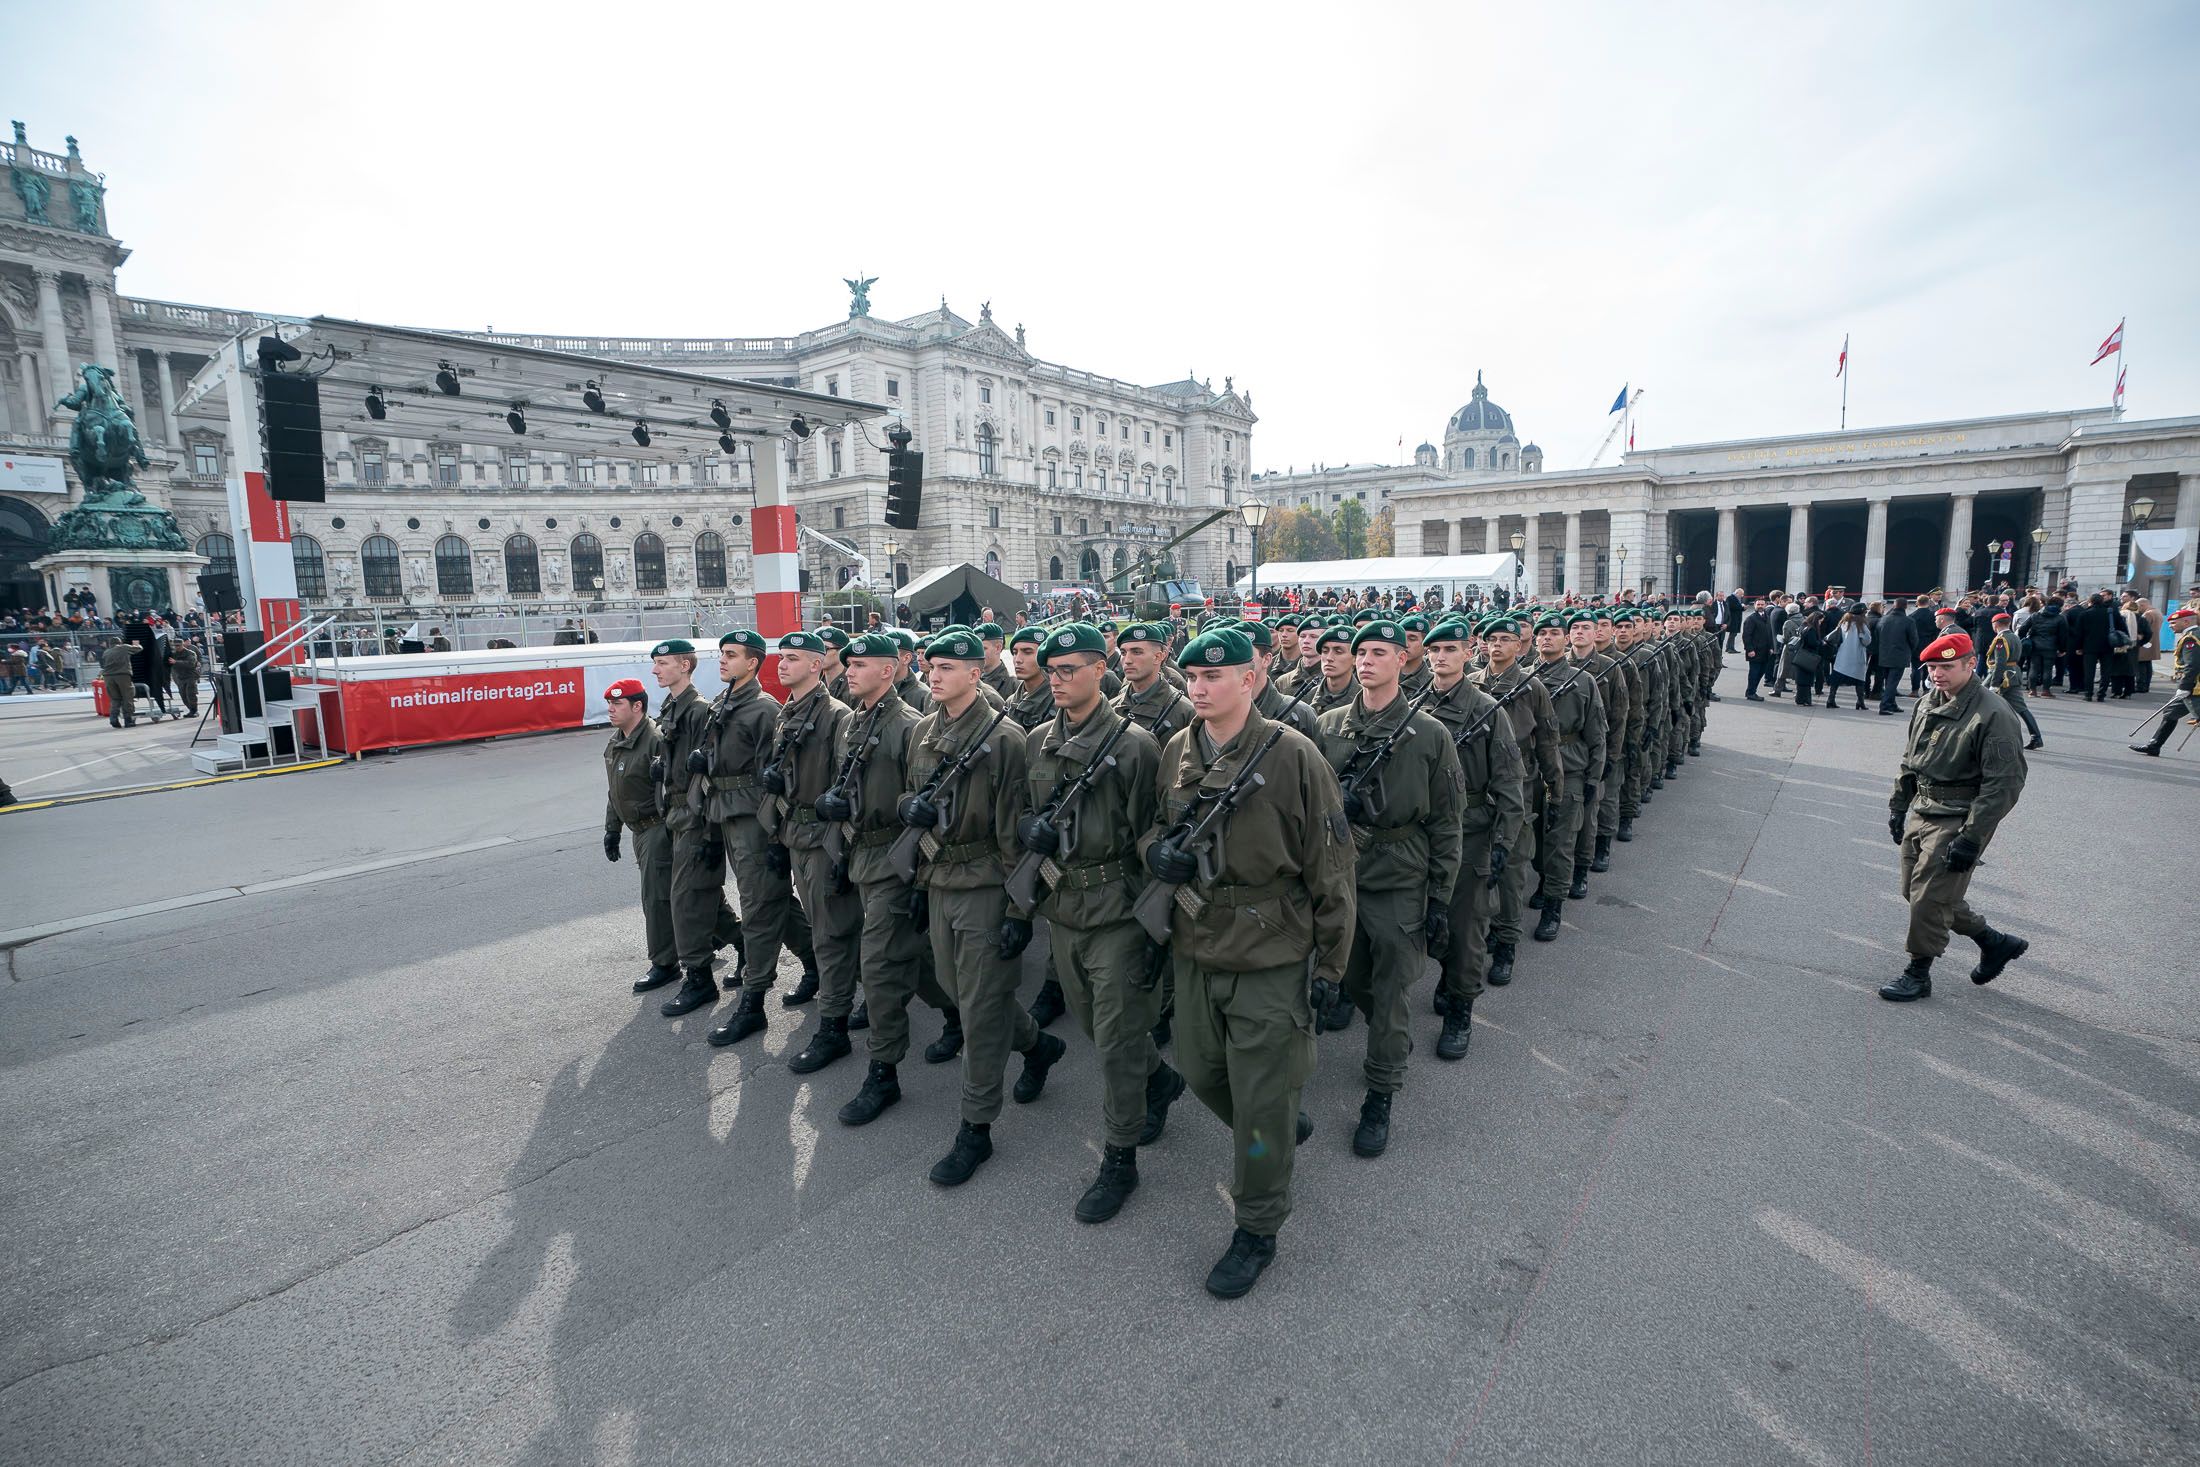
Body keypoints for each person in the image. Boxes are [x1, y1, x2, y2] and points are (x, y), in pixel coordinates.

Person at [1140, 624, 1354, 1297]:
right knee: (1202, 1071)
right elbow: (1153, 825)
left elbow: (1332, 866)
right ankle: (1276, 1129)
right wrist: (1157, 853)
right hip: (1197, 944)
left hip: (1270, 948)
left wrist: (1329, 967)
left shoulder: (1293, 756)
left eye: (1214, 676)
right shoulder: (1178, 748)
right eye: (1193, 678)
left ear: (1250, 679)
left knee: (1260, 1097)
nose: (1199, 688)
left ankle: (1258, 1223)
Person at [1021, 622, 1179, 1222]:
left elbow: (1152, 833)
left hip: (1116, 909)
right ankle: (1160, 1081)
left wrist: (1150, 925)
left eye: (1068, 670)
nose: (1056, 680)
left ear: (1098, 670)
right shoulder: (1037, 740)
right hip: (1063, 909)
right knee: (1091, 1022)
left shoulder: (1136, 746)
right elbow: (1024, 818)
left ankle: (1119, 1156)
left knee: (1114, 1040)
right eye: (1051, 671)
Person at [901, 627, 1066, 1187]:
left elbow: (1016, 840)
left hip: (986, 887)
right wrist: (918, 879)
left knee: (977, 1008)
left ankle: (976, 1126)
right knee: (962, 991)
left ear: (976, 673)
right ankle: (1039, 1046)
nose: (935, 674)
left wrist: (1020, 914)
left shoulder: (1005, 739)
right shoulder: (924, 729)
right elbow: (913, 799)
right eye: (932, 665)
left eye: (949, 666)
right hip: (940, 880)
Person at [1313, 620, 1462, 1157]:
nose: (1368, 660)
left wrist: (1441, 896)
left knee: (1393, 986)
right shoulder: (1329, 726)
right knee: (1354, 983)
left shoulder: (1429, 735)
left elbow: (1447, 821)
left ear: (1403, 660)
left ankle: (1381, 1093)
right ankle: (1389, 1036)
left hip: (1400, 874)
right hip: (1342, 874)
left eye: (1381, 652)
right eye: (1362, 652)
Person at [832, 633, 966, 1130]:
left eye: (861, 664)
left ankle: (883, 1071)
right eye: (848, 663)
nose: (849, 670)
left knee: (880, 966)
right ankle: (956, 1015)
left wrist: (918, 880)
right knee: (916, 957)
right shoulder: (855, 720)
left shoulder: (910, 727)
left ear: (889, 670)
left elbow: (923, 807)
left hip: (896, 859)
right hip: (862, 853)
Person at [1879, 631, 2029, 1002]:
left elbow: (2004, 783)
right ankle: (1994, 942)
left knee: (1929, 898)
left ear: (1970, 664)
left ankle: (1918, 973)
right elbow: (1910, 760)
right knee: (1916, 893)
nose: (1937, 674)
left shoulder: (1994, 713)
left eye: (1946, 666)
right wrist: (1899, 806)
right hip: (1923, 808)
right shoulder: (1928, 702)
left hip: (1959, 817)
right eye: (1931, 666)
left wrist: (1971, 836)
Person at [699, 629, 816, 1046]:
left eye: (731, 655)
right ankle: (816, 960)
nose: (723, 661)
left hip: (753, 819)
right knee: (773, 898)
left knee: (758, 904)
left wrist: (772, 835)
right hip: (727, 814)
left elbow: (776, 777)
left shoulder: (764, 709)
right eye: (722, 654)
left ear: (753, 663)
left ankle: (754, 1000)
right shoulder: (724, 701)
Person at [1420, 620, 1525, 1061]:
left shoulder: (1487, 710)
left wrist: (1503, 844)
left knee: (1466, 929)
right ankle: (1446, 973)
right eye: (1435, 650)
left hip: (1472, 833)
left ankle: (1461, 1011)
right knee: (1428, 923)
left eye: (1450, 649)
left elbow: (1509, 783)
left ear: (1469, 653)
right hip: (1424, 836)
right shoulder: (1414, 708)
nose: (1441, 657)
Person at [765, 631, 867, 1074]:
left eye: (792, 659)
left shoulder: (837, 716)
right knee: (830, 931)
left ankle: (834, 1028)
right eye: (780, 658)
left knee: (831, 935)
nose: (782, 665)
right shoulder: (786, 711)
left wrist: (841, 852)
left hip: (823, 839)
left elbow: (848, 790)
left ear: (815, 665)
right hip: (795, 835)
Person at [1470, 616, 1557, 984]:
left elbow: (1548, 739)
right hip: (1477, 786)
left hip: (1518, 785)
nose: (1499, 645)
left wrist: (1556, 789)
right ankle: (1486, 929)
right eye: (1493, 639)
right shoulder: (1473, 684)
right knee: (1479, 870)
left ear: (1519, 646)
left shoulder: (1532, 687)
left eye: (1507, 639)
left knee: (1511, 870)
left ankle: (1507, 942)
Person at [602, 678, 685, 993]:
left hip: (659, 827)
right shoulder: (616, 742)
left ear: (637, 706)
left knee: (657, 898)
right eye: (609, 703)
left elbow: (676, 786)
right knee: (684, 893)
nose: (610, 709)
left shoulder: (656, 739)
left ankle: (665, 963)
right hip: (639, 829)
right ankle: (726, 938)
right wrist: (612, 829)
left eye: (617, 703)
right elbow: (616, 792)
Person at [1528, 613, 1604, 942]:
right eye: (1541, 633)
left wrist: (1593, 778)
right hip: (1530, 769)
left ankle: (1553, 907)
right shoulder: (1523, 678)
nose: (1547, 638)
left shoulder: (1582, 681)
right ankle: (1546, 880)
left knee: (1560, 843)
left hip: (1569, 767)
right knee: (1535, 840)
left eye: (1554, 633)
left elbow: (1597, 732)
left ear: (1565, 639)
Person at [2131, 605, 2200, 757]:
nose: (2170, 625)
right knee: (2170, 713)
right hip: (2192, 686)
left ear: (2186, 622)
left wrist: (2184, 686)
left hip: (2194, 687)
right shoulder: (2194, 634)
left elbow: (2192, 664)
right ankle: (2154, 745)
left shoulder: (2191, 638)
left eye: (2174, 623)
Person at [1983, 612, 2043, 750]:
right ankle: (2036, 736)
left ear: (1995, 624)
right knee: (2021, 708)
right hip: (2013, 674)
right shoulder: (2014, 636)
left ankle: (1983, 737)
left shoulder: (2001, 640)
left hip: (2001, 676)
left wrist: (1994, 684)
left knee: (1979, 701)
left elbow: (2000, 663)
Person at [1874, 598, 1918, 713]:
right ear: (1906, 606)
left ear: (1894, 606)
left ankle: (1892, 703)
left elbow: (1877, 636)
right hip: (1900, 654)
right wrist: (1909, 650)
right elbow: (1914, 640)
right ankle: (1884, 705)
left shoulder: (1883, 619)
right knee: (1892, 682)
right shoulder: (1908, 621)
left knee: (1888, 681)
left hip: (1884, 654)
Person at [1825, 607, 1872, 710]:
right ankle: (1860, 701)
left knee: (1836, 679)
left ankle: (1831, 699)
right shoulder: (1861, 625)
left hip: (1843, 655)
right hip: (1856, 656)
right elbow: (1866, 641)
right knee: (1859, 680)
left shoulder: (1844, 623)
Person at [1741, 599, 1775, 700]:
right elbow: (1746, 635)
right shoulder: (1751, 619)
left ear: (1766, 605)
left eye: (1762, 604)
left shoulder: (1767, 617)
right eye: (1758, 604)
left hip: (1765, 651)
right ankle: (1751, 692)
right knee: (1754, 672)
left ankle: (1752, 690)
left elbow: (1770, 634)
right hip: (1754, 651)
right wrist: (1749, 649)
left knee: (1761, 671)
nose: (1760, 606)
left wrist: (1771, 647)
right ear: (1755, 605)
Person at [100, 638, 137, 727]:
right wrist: (136, 644)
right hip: (122, 675)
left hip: (108, 677)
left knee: (115, 699)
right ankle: (128, 720)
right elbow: (139, 649)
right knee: (127, 697)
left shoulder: (106, 652)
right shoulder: (123, 647)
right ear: (119, 643)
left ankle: (113, 719)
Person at [169, 636, 201, 718]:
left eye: (178, 645)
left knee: (190, 694)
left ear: (182, 645)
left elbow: (191, 664)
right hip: (180, 676)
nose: (177, 647)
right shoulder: (173, 654)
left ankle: (194, 711)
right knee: (183, 695)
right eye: (175, 646)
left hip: (190, 675)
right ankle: (191, 710)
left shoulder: (190, 653)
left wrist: (176, 662)